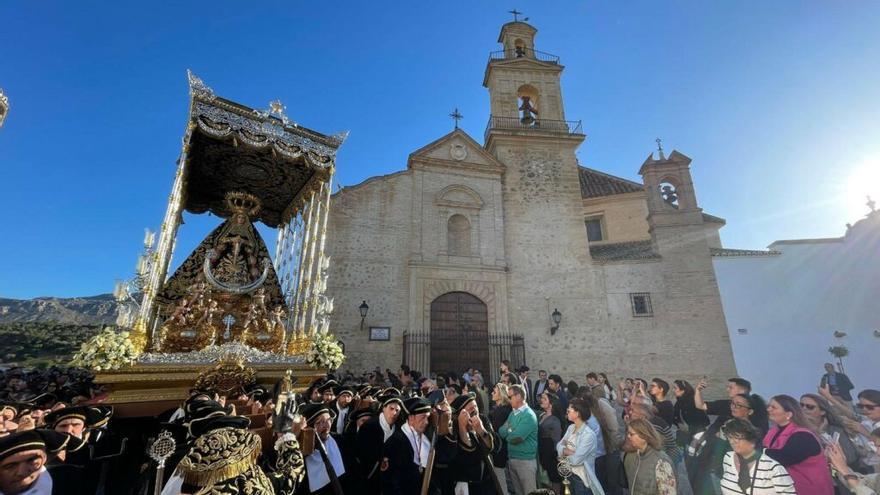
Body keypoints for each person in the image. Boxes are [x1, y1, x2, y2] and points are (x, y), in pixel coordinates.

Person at [763, 395, 834, 494]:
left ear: (788, 414)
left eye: (773, 407)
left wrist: (759, 451)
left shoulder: (803, 436)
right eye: (768, 406)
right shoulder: (773, 431)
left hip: (809, 489)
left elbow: (784, 458)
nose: (768, 409)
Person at [719, 419, 795, 494]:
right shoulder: (728, 458)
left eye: (738, 438)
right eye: (730, 438)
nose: (732, 442)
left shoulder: (772, 467)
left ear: (752, 440)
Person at [0, 429, 85, 495]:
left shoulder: (69, 483)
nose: (22, 472)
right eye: (10, 466)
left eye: (32, 460)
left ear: (44, 458)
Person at [381, 397, 433, 494]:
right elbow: (390, 482)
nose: (427, 422)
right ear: (411, 418)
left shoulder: (426, 441)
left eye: (428, 417)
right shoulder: (396, 442)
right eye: (423, 418)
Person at [799, 393, 862, 471]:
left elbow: (850, 457)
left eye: (810, 407)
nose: (804, 409)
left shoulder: (836, 430)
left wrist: (820, 434)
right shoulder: (797, 431)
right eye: (801, 405)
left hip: (845, 474)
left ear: (822, 412)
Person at [356, 392, 403, 495]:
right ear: (383, 408)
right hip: (370, 475)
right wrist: (380, 459)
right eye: (391, 409)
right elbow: (361, 452)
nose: (394, 413)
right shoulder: (369, 426)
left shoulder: (398, 428)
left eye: (397, 410)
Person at [450, 392, 498, 494]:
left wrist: (480, 430)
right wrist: (462, 428)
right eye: (471, 408)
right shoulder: (455, 427)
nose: (475, 410)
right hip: (465, 481)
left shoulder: (483, 419)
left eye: (475, 406)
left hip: (486, 476)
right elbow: (467, 455)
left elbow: (490, 447)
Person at [296, 403, 348, 494]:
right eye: (319, 422)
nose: (326, 425)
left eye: (328, 420)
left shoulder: (340, 441)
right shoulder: (300, 453)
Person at [556, 399, 604, 495]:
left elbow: (576, 460)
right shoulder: (571, 428)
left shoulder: (588, 435)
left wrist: (563, 454)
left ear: (577, 413)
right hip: (569, 474)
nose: (567, 412)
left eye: (569, 411)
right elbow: (558, 446)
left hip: (580, 479)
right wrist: (569, 452)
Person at [499, 384, 538, 495]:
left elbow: (517, 438)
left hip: (525, 462)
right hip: (512, 460)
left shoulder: (529, 415)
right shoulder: (513, 413)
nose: (508, 399)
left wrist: (509, 431)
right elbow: (501, 431)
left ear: (519, 396)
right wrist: (511, 431)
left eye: (510, 396)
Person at [622, 418, 677, 495]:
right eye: (628, 433)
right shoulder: (630, 455)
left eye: (631, 434)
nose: (628, 436)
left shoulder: (661, 462)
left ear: (644, 436)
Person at [537, 392, 564, 494]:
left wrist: (556, 455)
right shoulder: (542, 414)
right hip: (542, 450)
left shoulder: (555, 420)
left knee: (554, 479)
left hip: (551, 453)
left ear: (551, 404)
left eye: (544, 399)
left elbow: (557, 439)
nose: (541, 400)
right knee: (546, 480)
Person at [489, 383, 513, 495]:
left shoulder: (502, 410)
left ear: (501, 394)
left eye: (494, 392)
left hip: (500, 449)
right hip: (503, 448)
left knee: (501, 481)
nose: (492, 393)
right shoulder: (501, 408)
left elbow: (496, 431)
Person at [672, 380, 709, 448]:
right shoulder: (679, 402)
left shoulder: (692, 402)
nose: (673, 390)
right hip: (686, 433)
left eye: (675, 388)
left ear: (683, 390)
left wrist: (686, 428)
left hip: (695, 435)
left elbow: (703, 420)